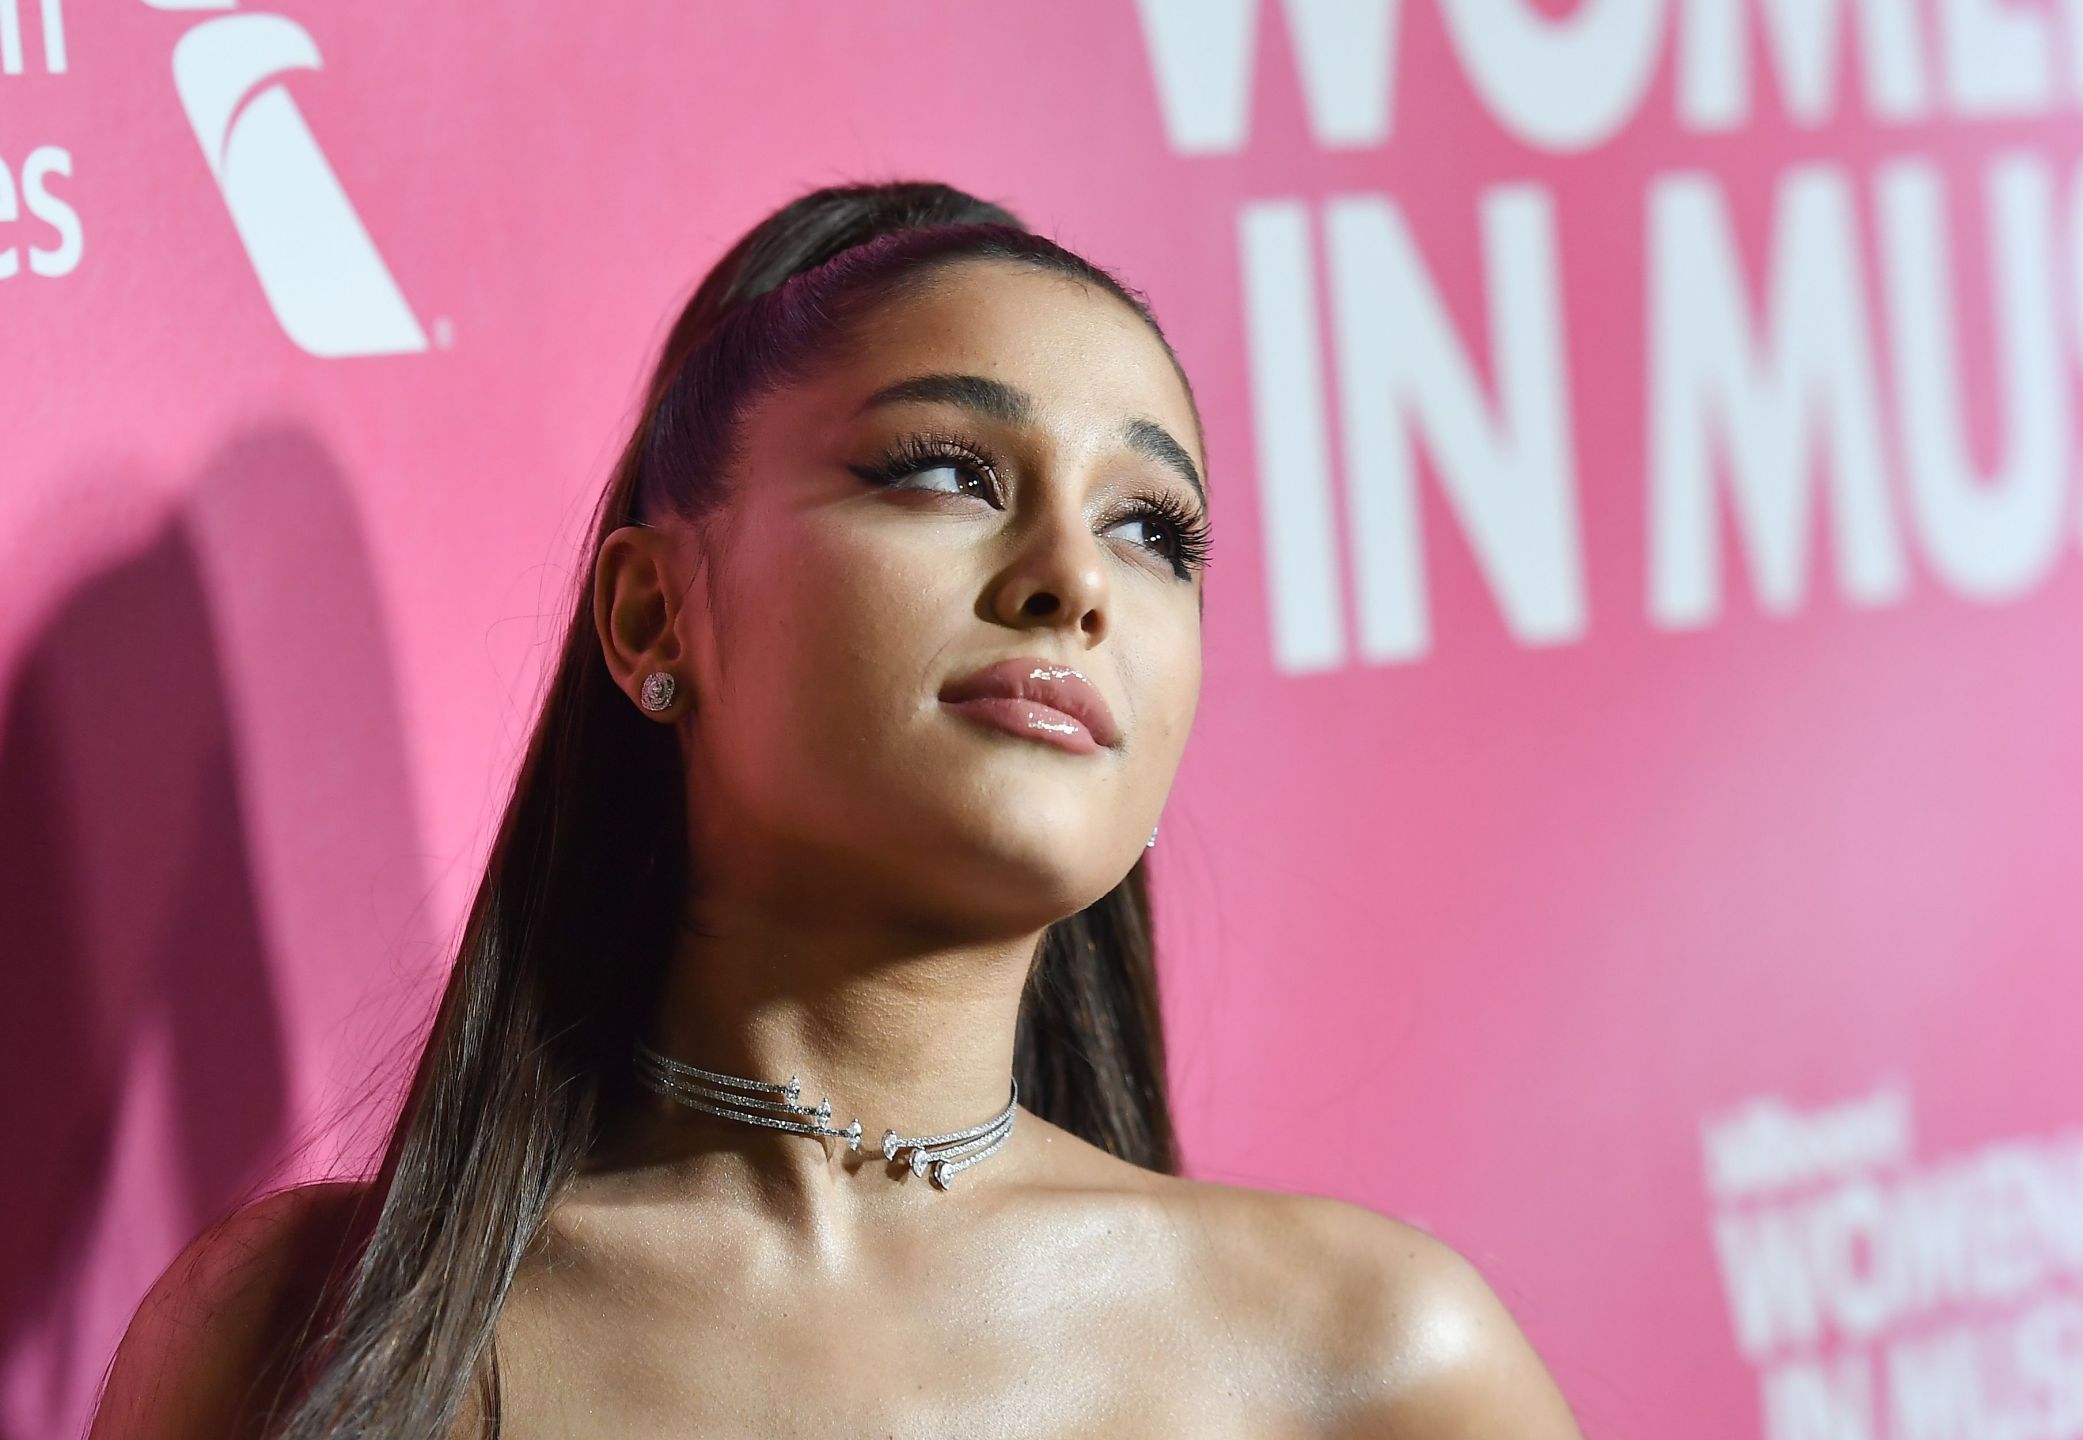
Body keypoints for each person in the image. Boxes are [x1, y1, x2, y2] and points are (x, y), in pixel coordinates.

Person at [88, 181, 1583, 1438]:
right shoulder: (294, 1330)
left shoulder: (1382, 1369)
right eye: (946, 469)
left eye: (1153, 526)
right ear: (652, 617)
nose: (1071, 580)